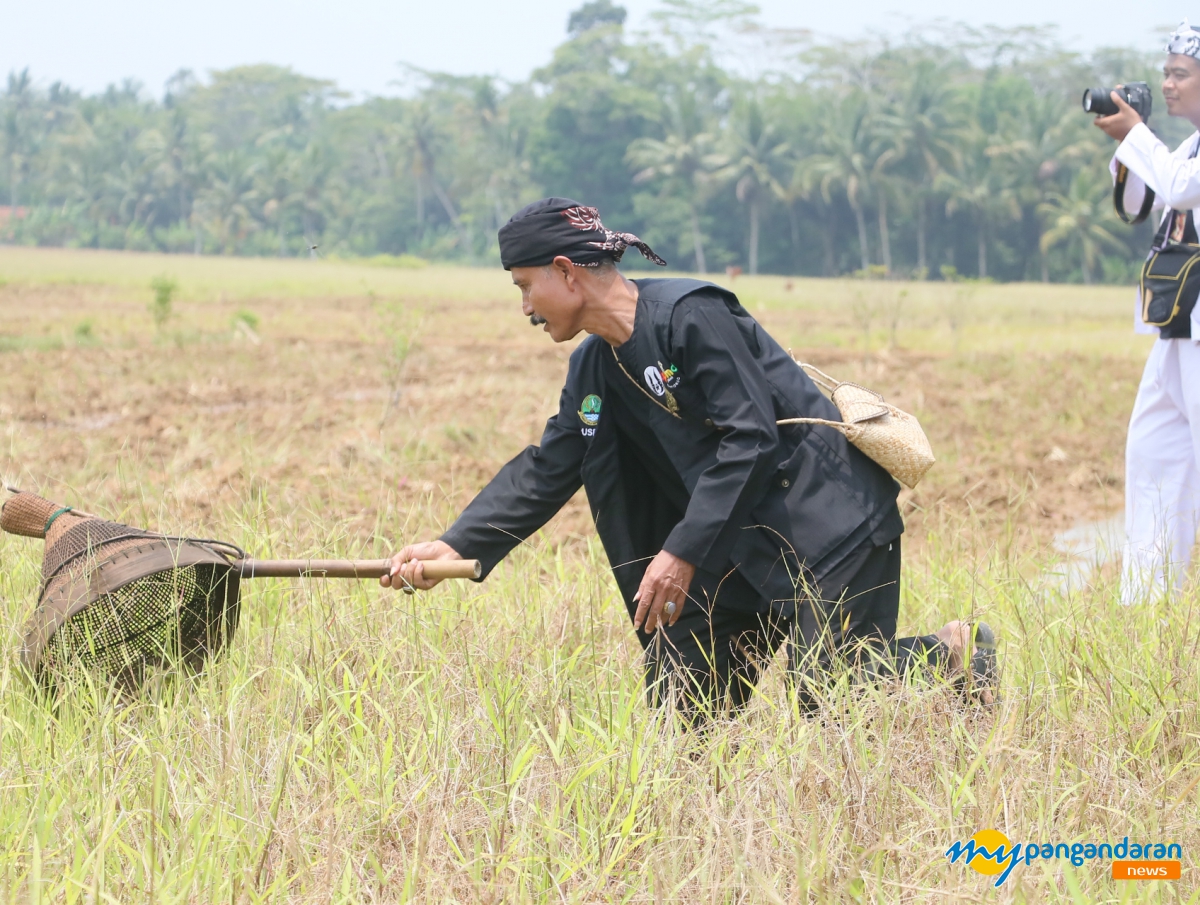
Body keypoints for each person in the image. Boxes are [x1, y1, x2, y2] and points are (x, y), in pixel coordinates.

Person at [381, 197, 997, 721]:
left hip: (824, 528)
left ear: (565, 272)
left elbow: (750, 438)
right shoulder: (595, 367)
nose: (525, 308)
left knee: (830, 695)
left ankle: (953, 655)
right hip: (733, 545)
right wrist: (457, 544)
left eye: (524, 286)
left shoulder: (691, 317)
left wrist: (678, 553)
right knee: (684, 699)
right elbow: (551, 465)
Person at [1097, 21, 1200, 603]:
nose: (1167, 84)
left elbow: (1182, 188)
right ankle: (1148, 602)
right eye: (1165, 72)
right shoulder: (1186, 145)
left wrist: (1139, 136)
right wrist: (1129, 143)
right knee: (1153, 455)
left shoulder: (1186, 159)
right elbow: (1141, 202)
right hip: (1179, 327)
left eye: (1180, 74)